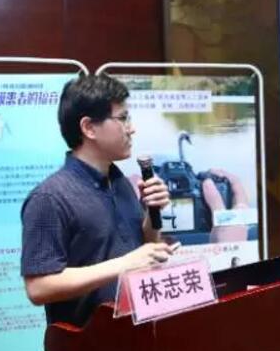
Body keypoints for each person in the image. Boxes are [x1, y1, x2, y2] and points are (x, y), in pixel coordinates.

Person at [21, 74, 173, 327]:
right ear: (89, 128)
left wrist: (151, 213)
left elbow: (143, 247)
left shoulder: (120, 182)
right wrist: (125, 264)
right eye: (123, 118)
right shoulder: (50, 197)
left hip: (137, 333)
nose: (131, 128)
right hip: (88, 346)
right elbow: (38, 287)